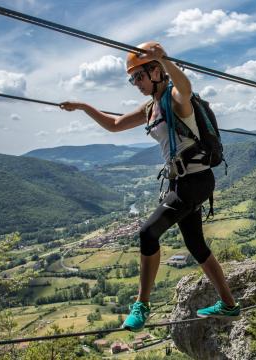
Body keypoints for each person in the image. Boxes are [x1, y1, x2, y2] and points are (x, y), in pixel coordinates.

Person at [60, 41, 240, 331]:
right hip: (184, 181)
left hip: (193, 181)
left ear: (156, 72)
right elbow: (115, 124)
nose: (135, 83)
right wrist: (83, 107)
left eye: (138, 77)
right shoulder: (150, 108)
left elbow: (186, 87)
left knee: (147, 233)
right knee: (195, 244)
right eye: (132, 79)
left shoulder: (175, 99)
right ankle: (229, 304)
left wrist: (165, 59)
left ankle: (141, 306)